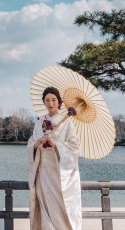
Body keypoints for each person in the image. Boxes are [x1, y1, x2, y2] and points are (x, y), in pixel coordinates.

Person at [27, 86, 82, 230]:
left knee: (58, 205)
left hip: (58, 172)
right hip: (43, 170)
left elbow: (74, 147)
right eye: (47, 100)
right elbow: (31, 143)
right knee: (44, 204)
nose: (50, 103)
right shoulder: (39, 123)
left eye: (53, 100)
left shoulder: (67, 122)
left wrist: (56, 144)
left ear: (59, 102)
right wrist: (37, 143)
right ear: (44, 102)